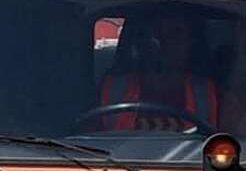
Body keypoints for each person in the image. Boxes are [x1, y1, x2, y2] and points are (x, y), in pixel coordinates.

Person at [97, 13, 232, 134]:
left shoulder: (213, 94)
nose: (162, 42)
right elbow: (85, 143)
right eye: (154, 34)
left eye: (174, 35)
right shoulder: (112, 88)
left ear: (190, 43)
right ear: (139, 43)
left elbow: (238, 146)